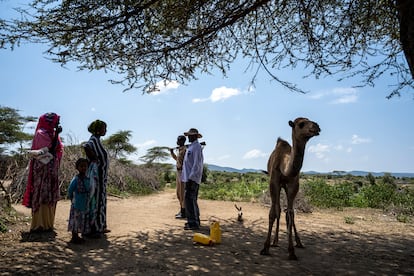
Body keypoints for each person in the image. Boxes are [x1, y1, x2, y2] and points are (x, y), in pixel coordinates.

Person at [22, 112, 64, 233]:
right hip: (42, 170)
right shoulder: (41, 134)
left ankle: (48, 224)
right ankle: (39, 224)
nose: (58, 123)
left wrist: (56, 135)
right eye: (56, 121)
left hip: (51, 170)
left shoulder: (53, 133)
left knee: (50, 195)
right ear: (50, 121)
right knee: (41, 194)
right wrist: (56, 135)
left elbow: (57, 150)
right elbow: (49, 150)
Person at [83, 119, 109, 237]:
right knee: (95, 202)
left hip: (101, 178)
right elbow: (86, 147)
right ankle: (93, 229)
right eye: (104, 128)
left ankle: (100, 226)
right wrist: (94, 159)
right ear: (98, 130)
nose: (106, 130)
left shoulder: (97, 140)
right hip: (95, 178)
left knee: (100, 201)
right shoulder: (93, 140)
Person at [181, 128, 204, 230]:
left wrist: (191, 178)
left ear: (194, 136)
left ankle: (193, 223)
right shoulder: (192, 147)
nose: (188, 137)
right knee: (191, 200)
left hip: (192, 178)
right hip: (189, 178)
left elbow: (197, 164)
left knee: (190, 200)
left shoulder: (197, 147)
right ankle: (194, 221)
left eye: (190, 136)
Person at [67, 158, 90, 244]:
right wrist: (72, 200)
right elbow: (70, 190)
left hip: (84, 203)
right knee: (75, 220)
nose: (83, 168)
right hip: (76, 203)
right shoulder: (75, 179)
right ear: (77, 168)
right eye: (81, 166)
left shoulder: (87, 179)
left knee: (81, 220)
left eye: (85, 166)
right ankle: (74, 237)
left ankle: (78, 236)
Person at [169, 135, 187, 219]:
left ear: (181, 141)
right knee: (178, 193)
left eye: (178, 140)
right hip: (178, 172)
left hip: (182, 172)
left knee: (182, 192)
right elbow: (177, 160)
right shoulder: (180, 150)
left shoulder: (184, 150)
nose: (177, 141)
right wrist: (172, 153)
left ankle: (183, 211)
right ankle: (182, 210)